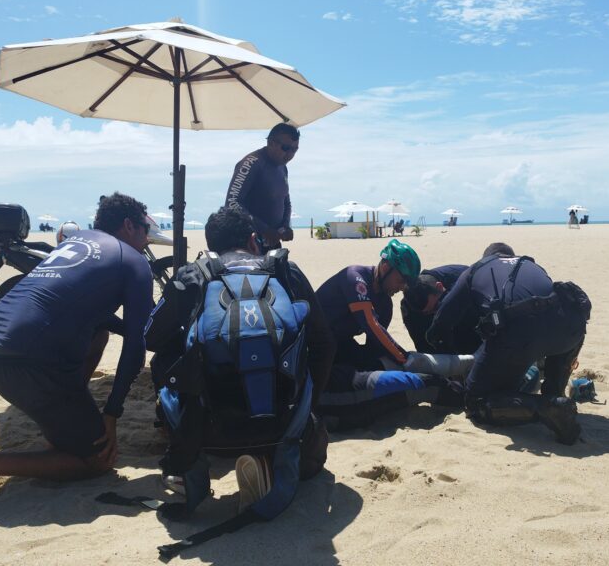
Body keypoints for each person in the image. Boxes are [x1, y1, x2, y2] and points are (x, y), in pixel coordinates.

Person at [0, 192, 155, 510]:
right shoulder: (133, 261)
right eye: (145, 230)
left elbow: (84, 308)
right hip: (30, 364)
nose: (147, 239)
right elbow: (136, 345)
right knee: (94, 461)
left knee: (98, 333)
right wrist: (112, 414)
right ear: (129, 226)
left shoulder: (75, 242)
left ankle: (68, 416)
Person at [143, 206, 333, 538]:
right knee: (314, 461)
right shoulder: (286, 271)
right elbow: (325, 345)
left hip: (211, 435)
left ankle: (187, 465)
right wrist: (308, 408)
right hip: (285, 428)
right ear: (253, 240)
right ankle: (269, 462)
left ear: (210, 246)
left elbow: (151, 338)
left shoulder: (193, 274)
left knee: (164, 360)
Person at [426, 243, 589, 445]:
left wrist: (434, 339)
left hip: (521, 334)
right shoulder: (529, 263)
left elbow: (444, 317)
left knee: (475, 402)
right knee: (549, 343)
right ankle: (555, 395)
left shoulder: (476, 269)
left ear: (487, 256)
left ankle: (548, 407)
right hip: (571, 327)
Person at [315, 238, 420, 379]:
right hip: (311, 341)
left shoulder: (385, 305)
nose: (402, 288)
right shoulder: (354, 277)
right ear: (385, 267)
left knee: (368, 363)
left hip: (338, 341)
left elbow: (375, 346)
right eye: (401, 281)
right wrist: (405, 359)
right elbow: (371, 325)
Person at [225, 123, 299, 250]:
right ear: (271, 143)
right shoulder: (251, 163)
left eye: (294, 149)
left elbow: (285, 201)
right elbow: (232, 203)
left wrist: (285, 225)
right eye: (286, 148)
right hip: (249, 244)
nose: (290, 154)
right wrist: (264, 229)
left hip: (272, 242)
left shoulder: (283, 167)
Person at [401, 264, 482, 355]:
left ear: (439, 287)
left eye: (436, 307)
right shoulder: (410, 303)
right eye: (428, 312)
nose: (434, 313)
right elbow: (422, 344)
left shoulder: (466, 281)